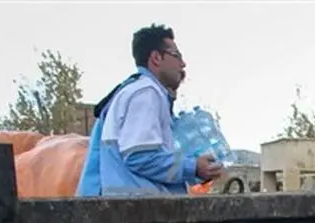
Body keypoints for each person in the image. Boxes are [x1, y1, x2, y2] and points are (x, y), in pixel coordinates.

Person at [76, 24, 222, 197]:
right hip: (134, 212)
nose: (183, 64)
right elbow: (140, 157)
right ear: (156, 58)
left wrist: (195, 169)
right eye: (176, 56)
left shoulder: (135, 90)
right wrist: (193, 167)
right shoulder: (146, 93)